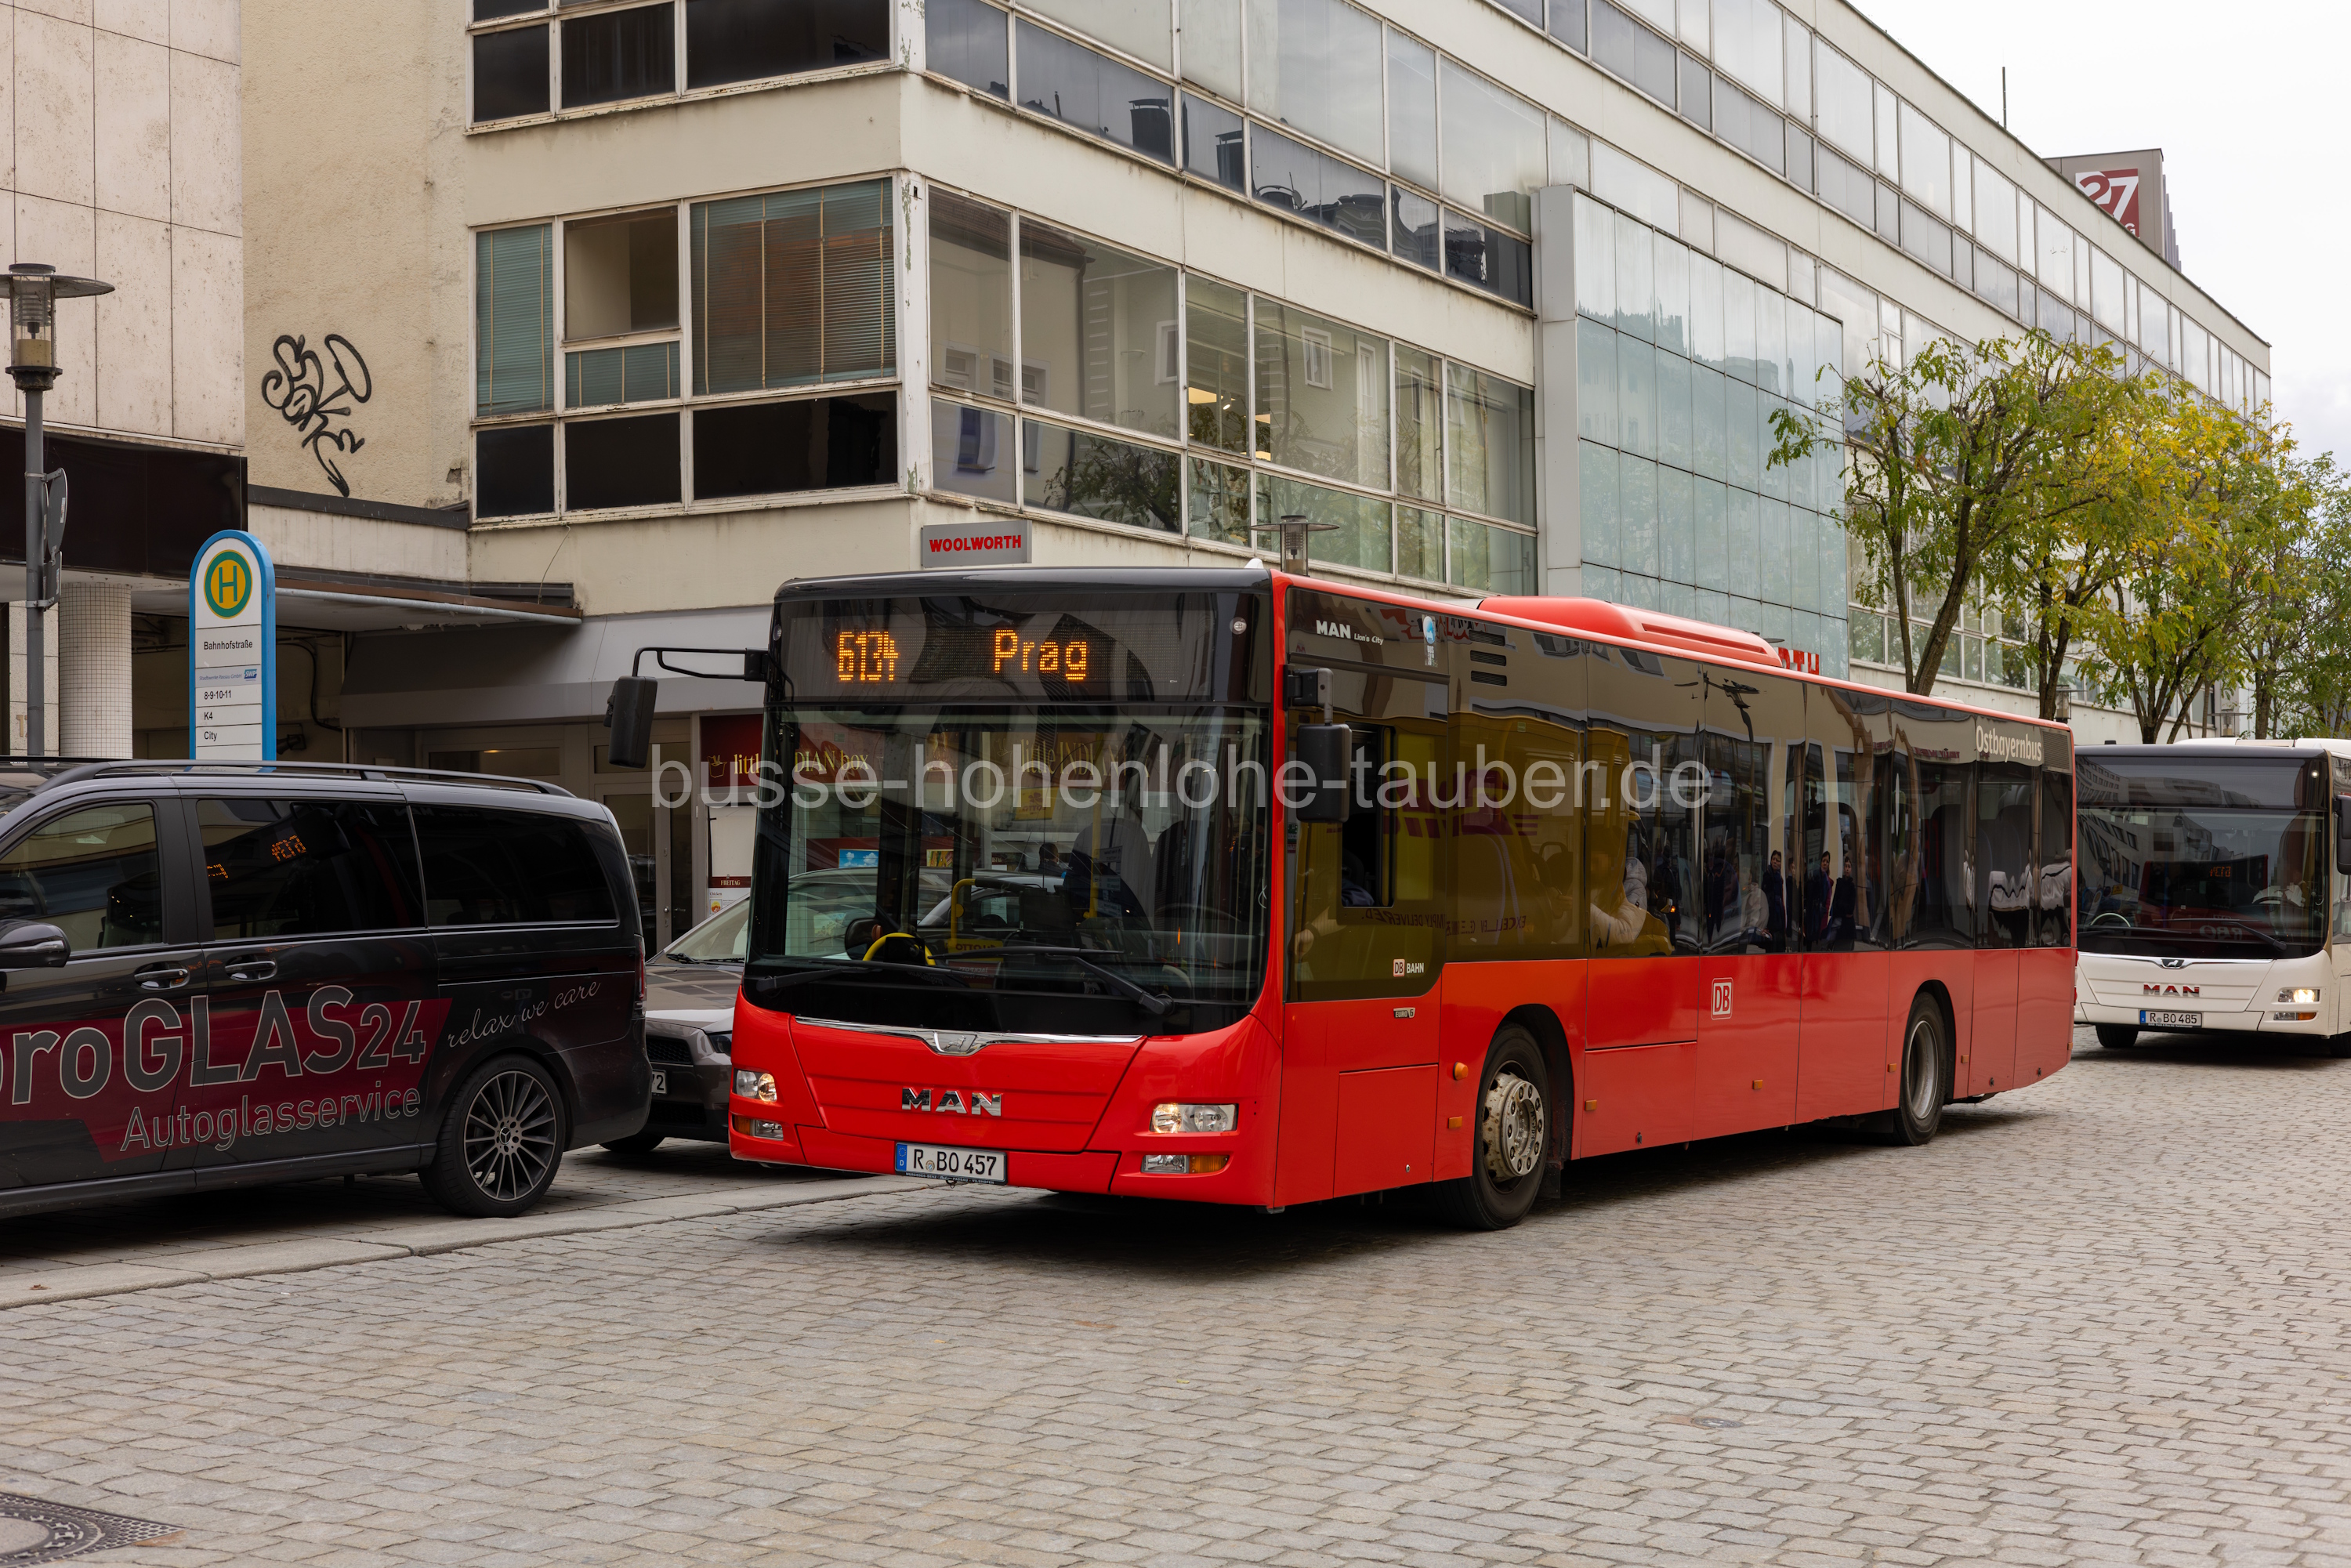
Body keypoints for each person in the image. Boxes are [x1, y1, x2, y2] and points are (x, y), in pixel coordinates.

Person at [1806, 852, 1833, 946]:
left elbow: (1828, 901)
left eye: (1827, 862)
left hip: (1822, 914)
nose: (1825, 863)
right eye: (1823, 861)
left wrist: (1824, 913)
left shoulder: (1828, 882)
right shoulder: (1814, 877)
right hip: (1812, 913)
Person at [1762, 849, 1787, 948]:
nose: (1775, 862)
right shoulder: (1767, 876)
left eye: (1778, 860)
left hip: (1779, 916)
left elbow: (1781, 899)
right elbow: (1765, 900)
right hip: (1770, 916)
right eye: (1773, 859)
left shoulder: (1780, 879)